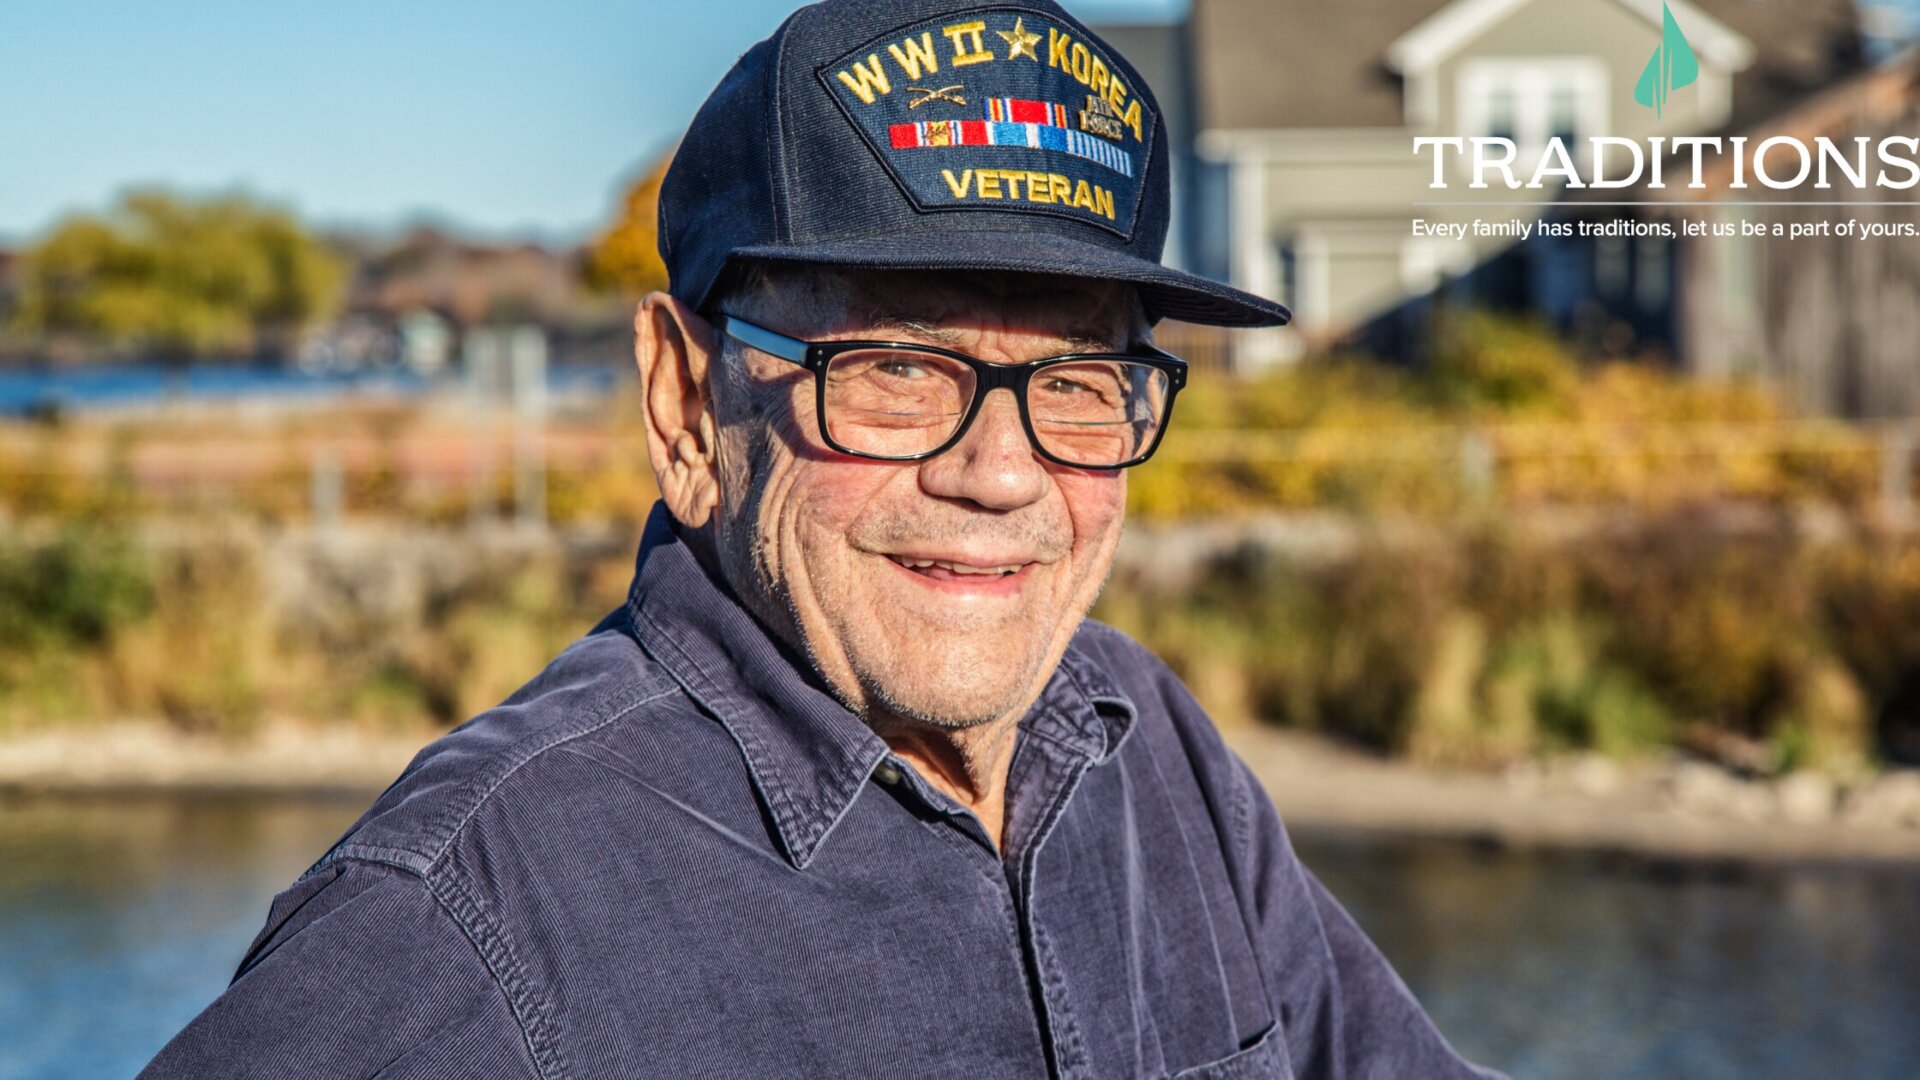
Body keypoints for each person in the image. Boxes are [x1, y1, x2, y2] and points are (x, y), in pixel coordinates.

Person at [142, 1, 1503, 1076]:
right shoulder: (459, 923)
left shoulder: (1140, 740)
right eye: (897, 368)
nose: (1001, 472)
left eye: (1081, 381)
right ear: (686, 404)